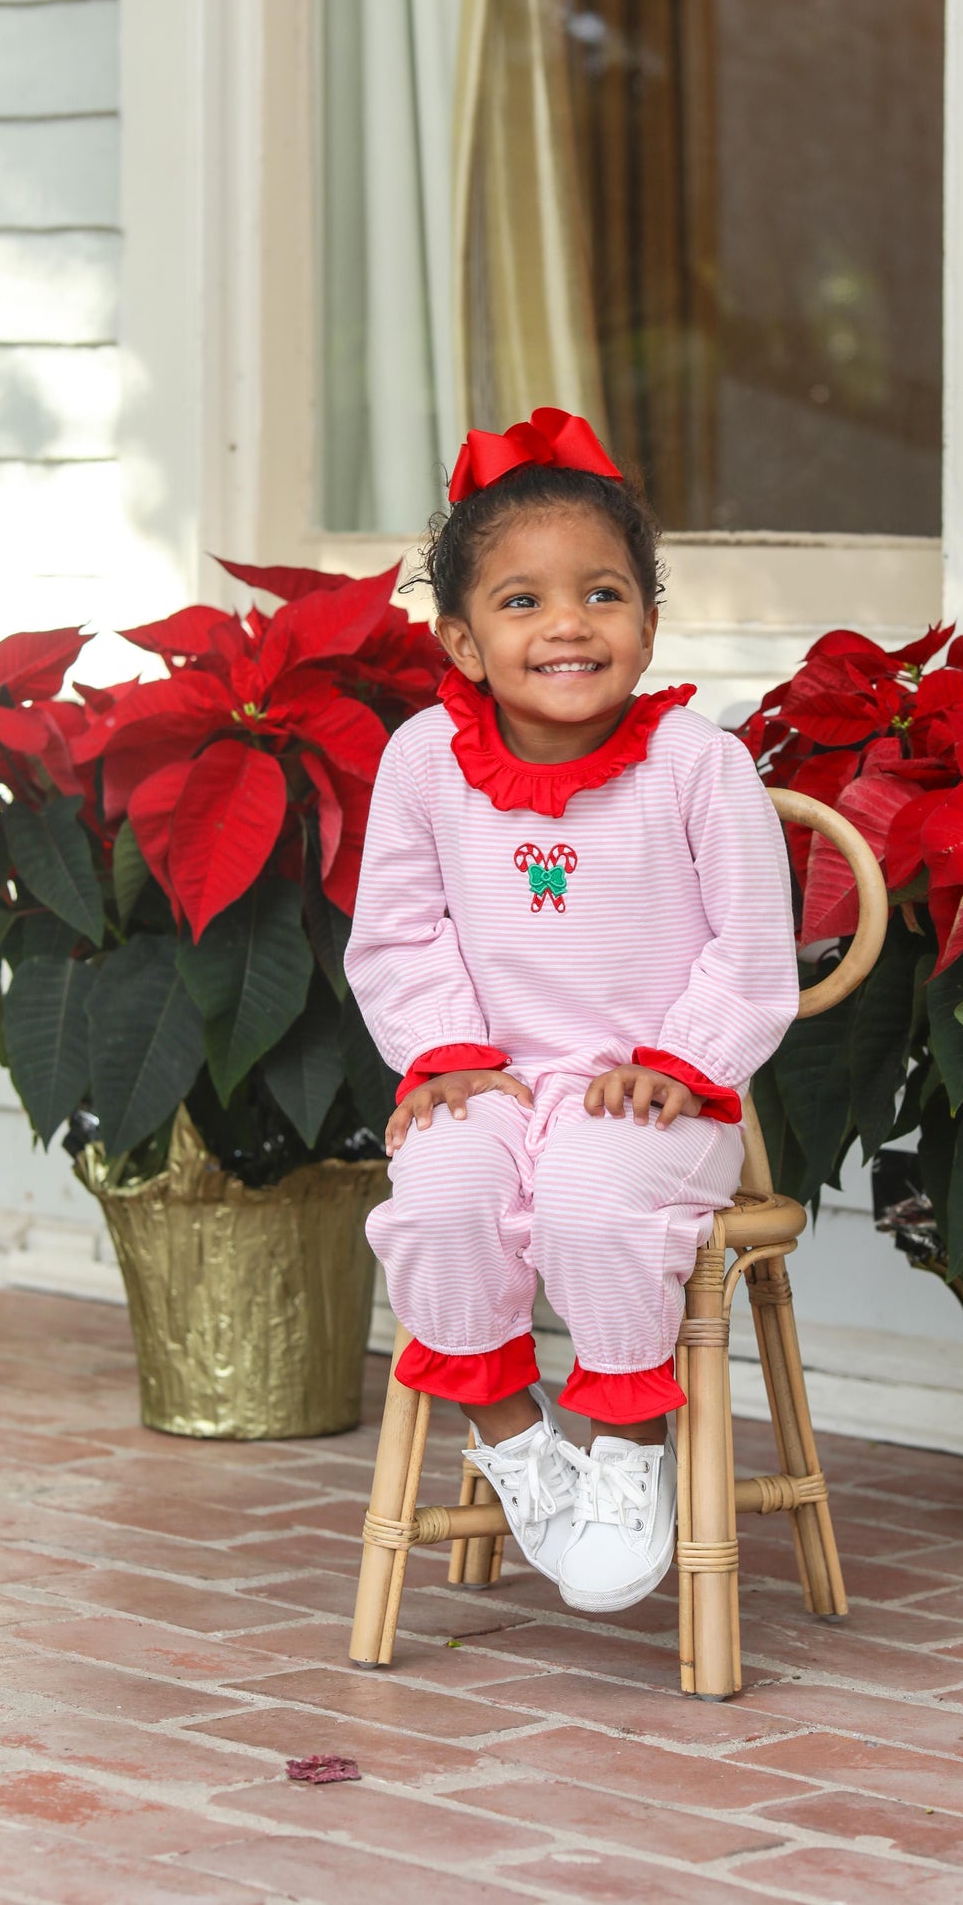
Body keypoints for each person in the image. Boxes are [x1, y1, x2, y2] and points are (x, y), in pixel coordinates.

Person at [344, 408, 799, 1613]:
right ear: (459, 637)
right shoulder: (422, 763)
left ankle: (623, 1448)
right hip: (496, 1079)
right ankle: (513, 1438)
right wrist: (443, 1052)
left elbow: (753, 948)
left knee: (598, 1193)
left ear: (648, 620)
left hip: (656, 1092)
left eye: (602, 593)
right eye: (520, 601)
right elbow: (397, 927)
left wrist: (682, 1058)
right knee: (436, 1193)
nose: (565, 624)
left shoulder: (699, 764)